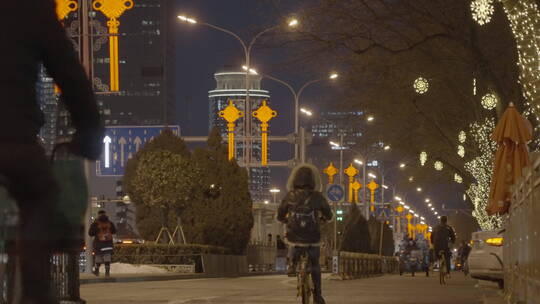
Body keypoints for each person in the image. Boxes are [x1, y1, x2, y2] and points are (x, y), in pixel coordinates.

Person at [0, 1, 103, 303]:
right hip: (14, 140)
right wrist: (90, 136)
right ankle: (34, 292)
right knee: (40, 200)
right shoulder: (28, 9)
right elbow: (72, 78)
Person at [277, 164, 333, 304]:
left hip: (294, 234)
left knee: (293, 241)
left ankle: (292, 264)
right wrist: (324, 219)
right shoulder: (317, 196)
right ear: (313, 180)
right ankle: (318, 296)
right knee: (314, 264)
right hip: (312, 236)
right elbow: (329, 214)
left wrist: (284, 219)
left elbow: (280, 214)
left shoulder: (290, 195)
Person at [89, 210, 117, 277]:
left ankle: (97, 271)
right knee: (107, 257)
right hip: (108, 244)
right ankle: (107, 272)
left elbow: (90, 233)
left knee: (98, 258)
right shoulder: (110, 223)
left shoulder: (95, 224)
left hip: (98, 244)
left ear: (98, 215)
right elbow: (114, 231)